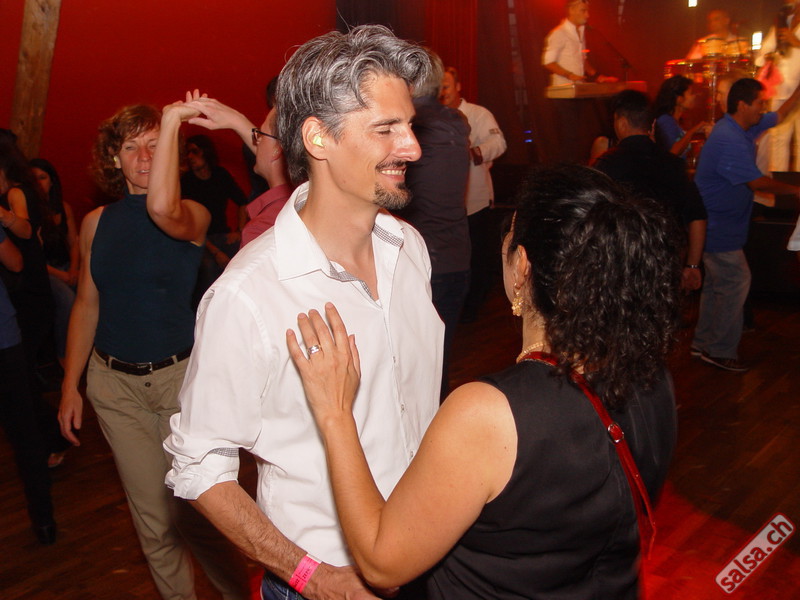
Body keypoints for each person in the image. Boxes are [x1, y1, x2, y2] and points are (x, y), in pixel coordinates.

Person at [287, 164, 681, 599]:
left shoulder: (489, 414)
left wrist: (335, 413)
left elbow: (383, 564)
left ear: (522, 267)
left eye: (508, 236)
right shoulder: (652, 376)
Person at [163, 25, 443, 600]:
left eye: (410, 126)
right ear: (318, 138)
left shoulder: (408, 248)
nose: (412, 148)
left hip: (429, 557)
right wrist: (309, 577)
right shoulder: (250, 295)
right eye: (386, 129)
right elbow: (198, 467)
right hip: (328, 582)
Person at [57, 100, 249, 600]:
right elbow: (86, 304)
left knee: (203, 515)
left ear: (172, 155)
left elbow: (164, 210)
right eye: (131, 146)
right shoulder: (96, 223)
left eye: (155, 144)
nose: (144, 156)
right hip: (114, 387)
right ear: (113, 157)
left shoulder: (192, 213)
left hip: (179, 383)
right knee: (155, 523)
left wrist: (176, 121)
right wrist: (70, 385)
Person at [693, 78, 800, 372]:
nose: (762, 109)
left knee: (717, 286)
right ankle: (719, 350)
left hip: (718, 226)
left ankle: (703, 343)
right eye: (759, 103)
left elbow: (779, 115)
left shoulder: (741, 127)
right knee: (736, 281)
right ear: (742, 105)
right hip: (717, 227)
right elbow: (757, 182)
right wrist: (795, 190)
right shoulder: (728, 138)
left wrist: (797, 91)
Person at [397, 50, 470, 400]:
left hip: (421, 260)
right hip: (456, 256)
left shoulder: (409, 131)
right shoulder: (456, 124)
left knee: (413, 375)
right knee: (437, 364)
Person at [594, 90, 707, 291]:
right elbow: (697, 216)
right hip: (665, 264)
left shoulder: (607, 165)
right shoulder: (673, 164)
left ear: (621, 123)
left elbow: (591, 218)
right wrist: (692, 265)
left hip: (621, 266)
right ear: (652, 125)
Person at [0, 142, 68, 467]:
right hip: (24, 294)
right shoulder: (17, 192)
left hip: (29, 295)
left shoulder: (15, 193)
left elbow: (26, 229)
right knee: (19, 377)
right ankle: (47, 439)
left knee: (21, 378)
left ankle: (54, 438)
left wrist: (3, 216)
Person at [0, 228, 57, 545]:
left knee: (25, 429)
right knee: (24, 430)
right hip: (5, 340)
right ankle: (44, 520)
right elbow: (15, 261)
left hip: (5, 337)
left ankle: (44, 518)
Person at [440, 66, 506, 323]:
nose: (442, 91)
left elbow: (499, 143)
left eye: (446, 86)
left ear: (458, 87)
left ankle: (474, 311)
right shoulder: (433, 118)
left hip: (475, 201)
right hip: (446, 204)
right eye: (438, 87)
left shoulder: (478, 114)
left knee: (477, 256)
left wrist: (473, 152)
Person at [180, 133, 248, 301]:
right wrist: (215, 251)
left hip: (222, 234)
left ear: (205, 152)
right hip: (199, 241)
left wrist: (239, 230)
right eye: (188, 153)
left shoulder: (220, 174)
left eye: (195, 151)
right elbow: (190, 225)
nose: (190, 157)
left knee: (243, 261)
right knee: (208, 267)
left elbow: (242, 201)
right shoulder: (187, 182)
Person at [30, 158, 79, 368]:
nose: (39, 183)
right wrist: (62, 275)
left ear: (52, 181)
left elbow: (74, 243)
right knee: (67, 299)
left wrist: (74, 269)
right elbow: (33, 256)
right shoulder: (30, 210)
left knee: (92, 292)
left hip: (67, 267)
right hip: (45, 271)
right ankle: (63, 357)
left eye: (43, 177)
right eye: (34, 179)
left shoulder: (64, 208)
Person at [756, 0, 800, 172]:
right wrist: (769, 57)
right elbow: (762, 54)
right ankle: (779, 183)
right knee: (778, 139)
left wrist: (796, 42)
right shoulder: (783, 19)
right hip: (781, 89)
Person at [654, 75, 711, 158]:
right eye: (691, 93)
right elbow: (673, 151)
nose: (694, 96)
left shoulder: (676, 121)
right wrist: (692, 131)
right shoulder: (665, 120)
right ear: (679, 99)